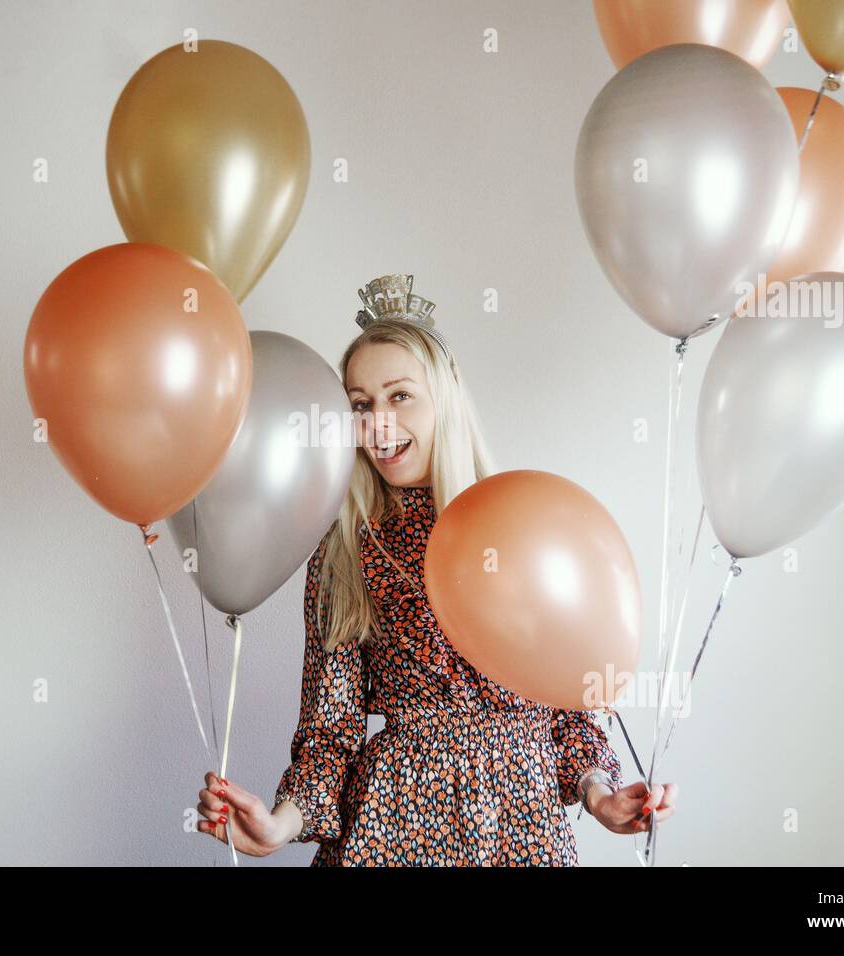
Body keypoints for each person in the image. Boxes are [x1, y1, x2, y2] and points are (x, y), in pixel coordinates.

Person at [194, 274, 677, 865]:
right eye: (360, 404)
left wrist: (600, 794)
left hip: (519, 824)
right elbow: (331, 730)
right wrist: (278, 823)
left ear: (442, 397)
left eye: (400, 395)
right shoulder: (347, 547)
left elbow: (564, 695)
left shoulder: (519, 520)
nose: (378, 423)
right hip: (392, 825)